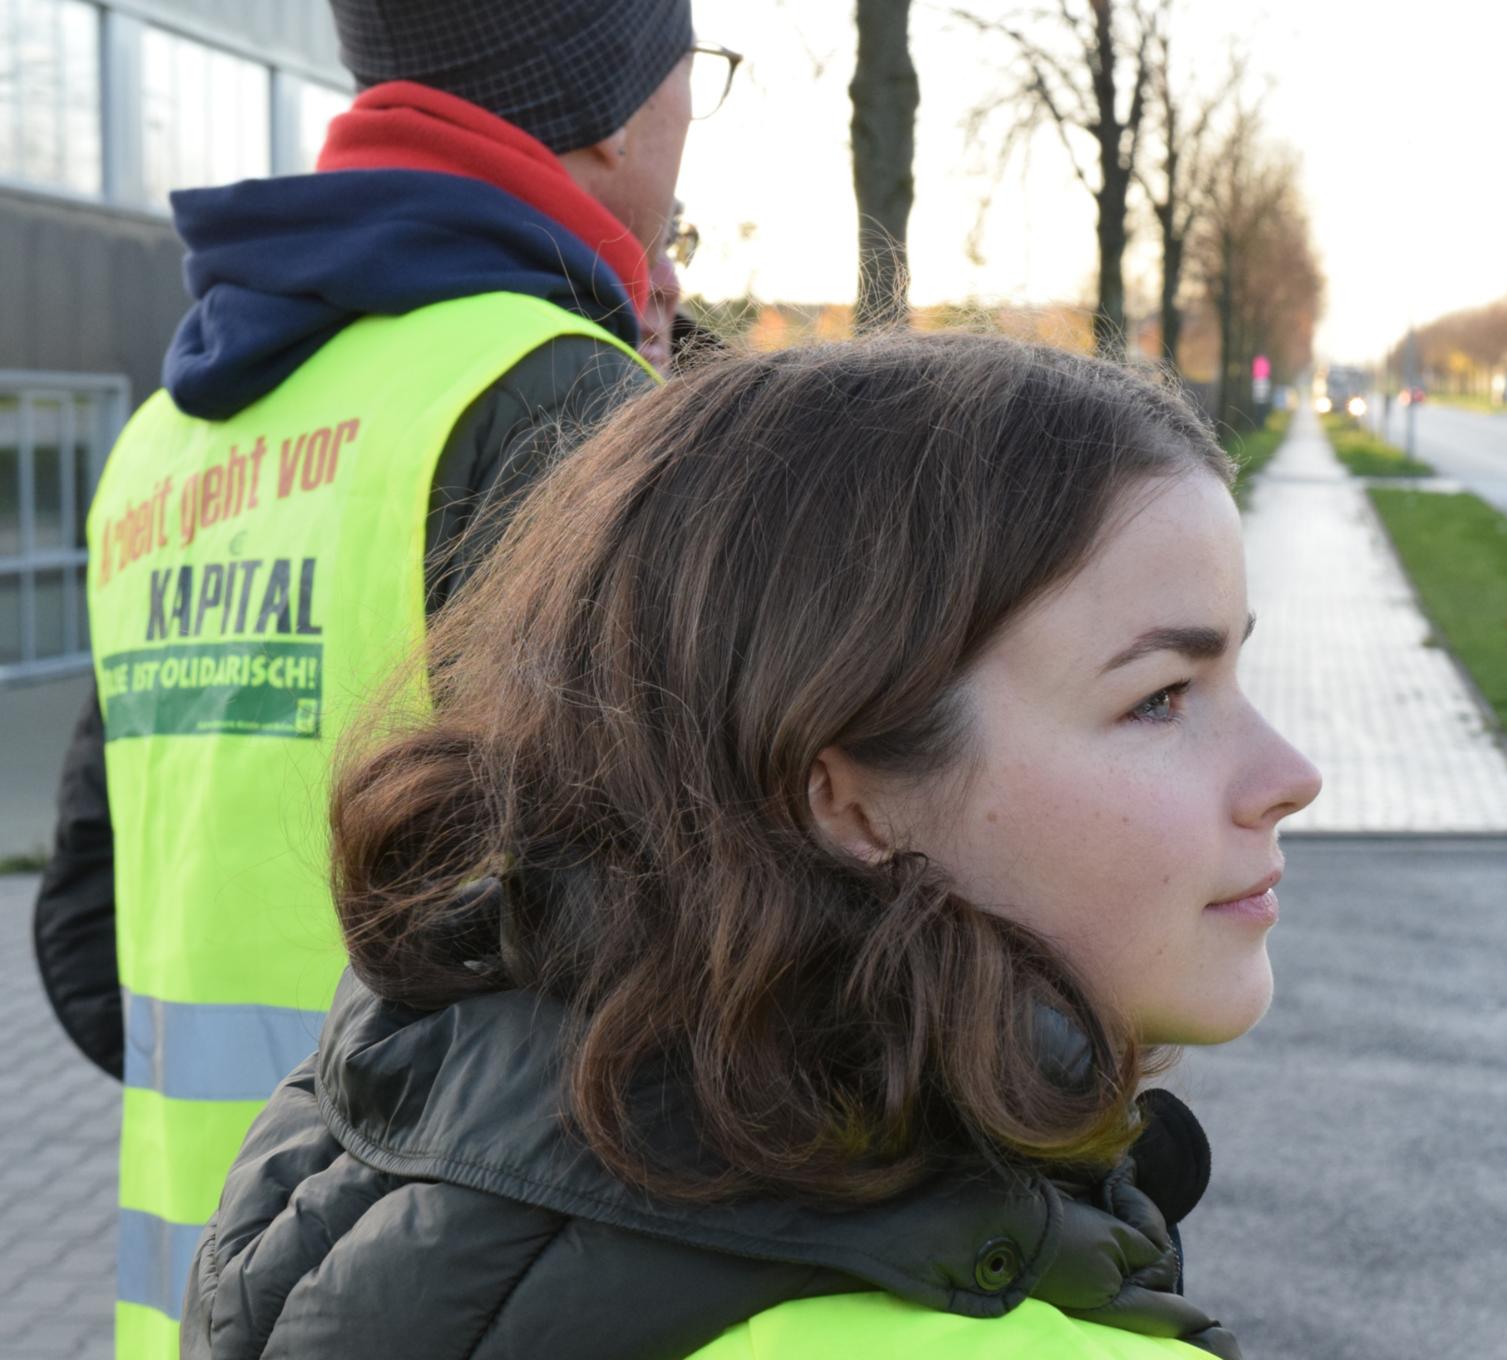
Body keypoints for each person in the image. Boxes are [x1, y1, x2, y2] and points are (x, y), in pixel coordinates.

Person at [182, 333, 1321, 1358]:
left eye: (1232, 674)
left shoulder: (375, 1157)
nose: (1289, 778)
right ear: (849, 799)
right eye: (1162, 697)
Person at [30, 3, 722, 1352]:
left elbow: (80, 939)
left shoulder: (169, 437)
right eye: (700, 76)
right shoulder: (554, 404)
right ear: (614, 101)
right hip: (450, 1299)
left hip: (201, 1303)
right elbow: (693, 938)